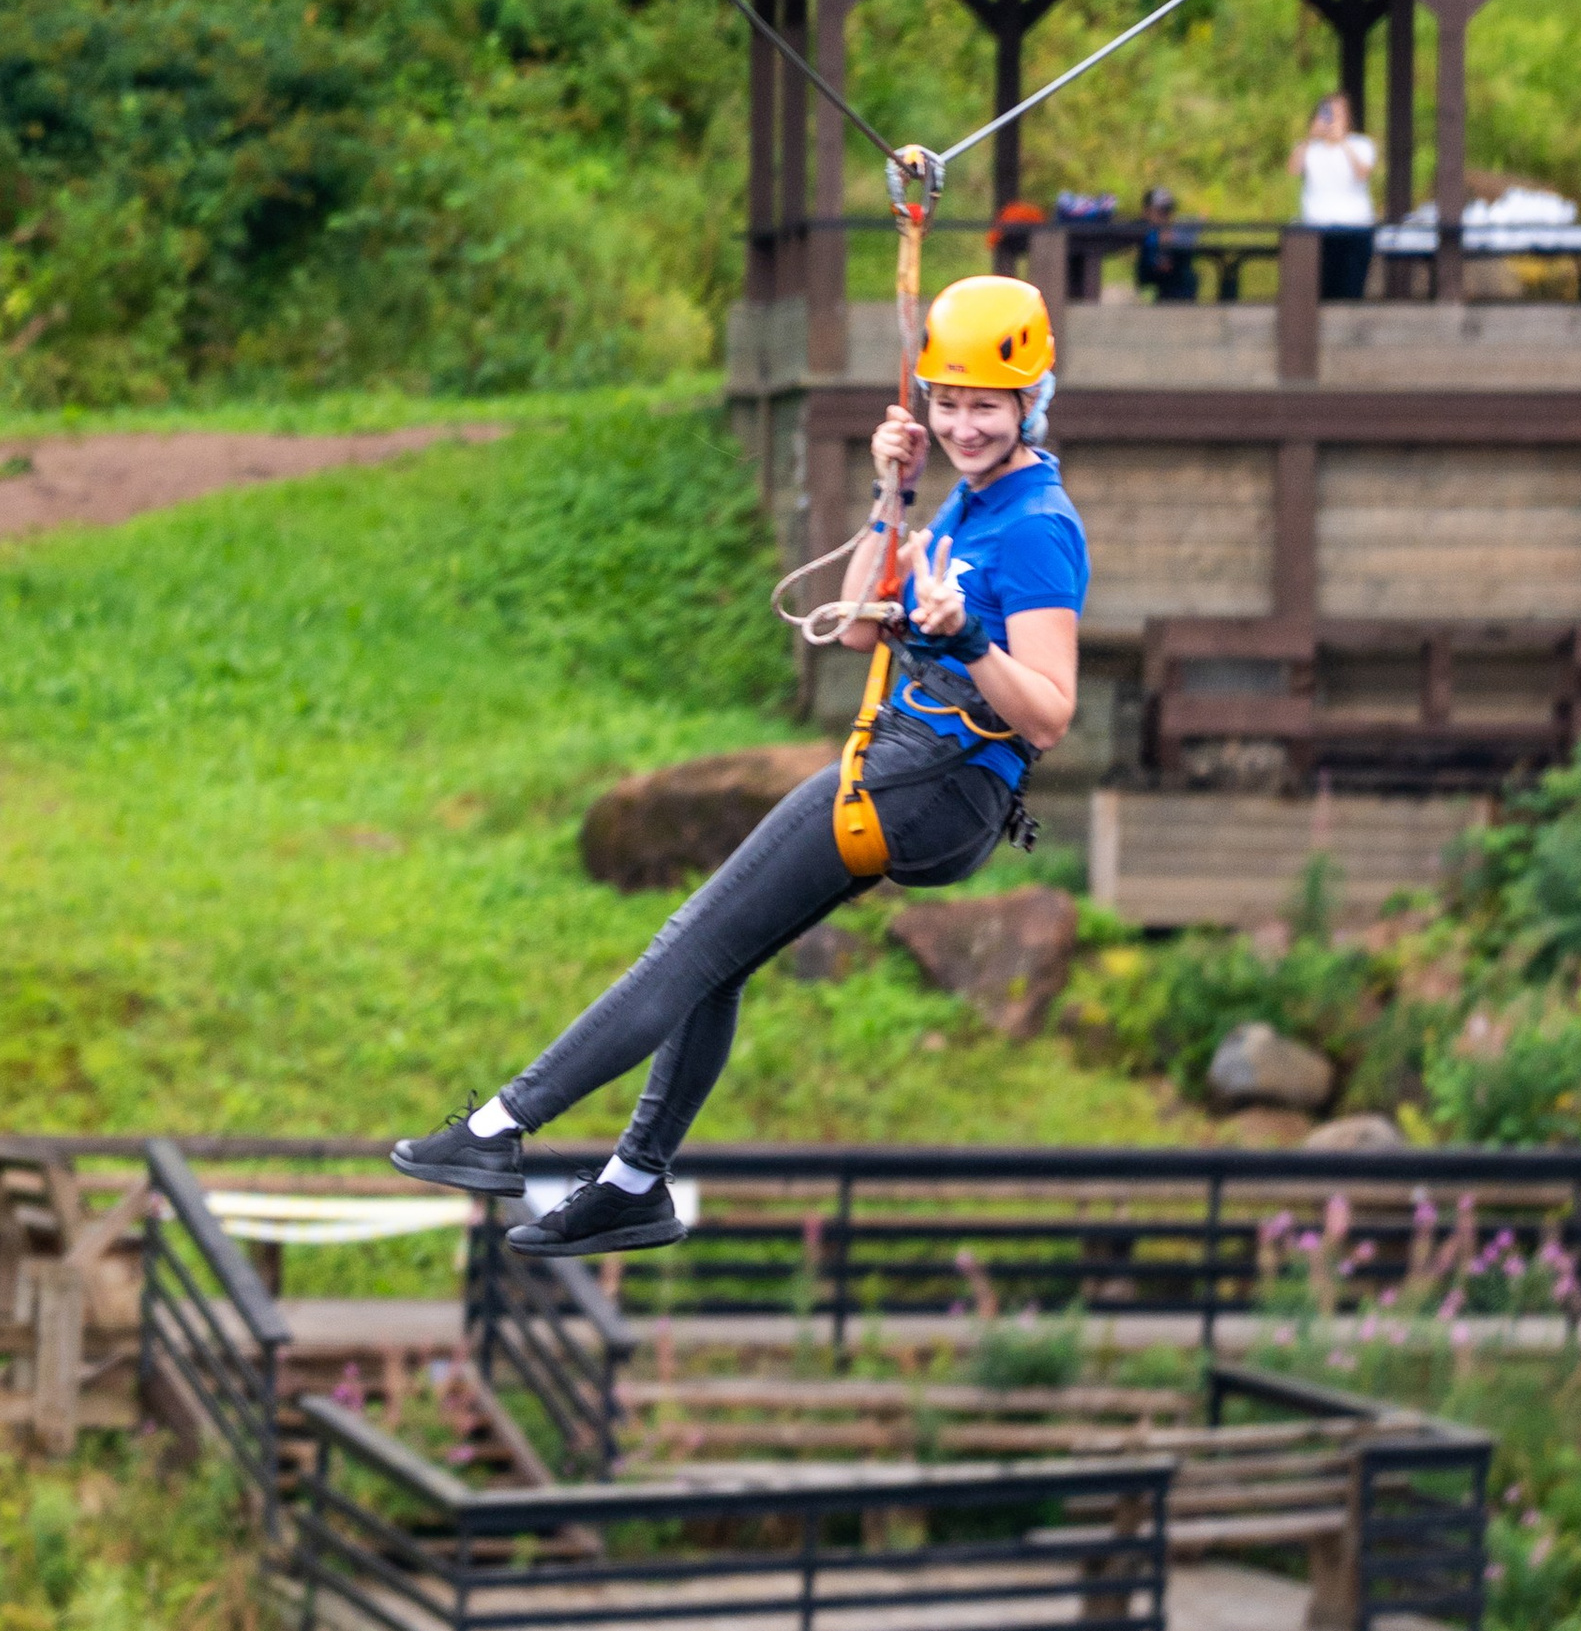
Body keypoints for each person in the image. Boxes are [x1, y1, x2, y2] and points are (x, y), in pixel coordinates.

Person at [388, 276, 1091, 1262]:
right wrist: (890, 497)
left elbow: (1053, 716)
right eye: (949, 402)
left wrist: (971, 638)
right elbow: (851, 628)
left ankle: (500, 1128)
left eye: (986, 406)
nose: (964, 425)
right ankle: (633, 1185)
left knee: (687, 942)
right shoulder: (964, 508)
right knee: (717, 962)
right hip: (908, 774)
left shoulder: (1036, 526)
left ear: (1030, 403)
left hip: (929, 782)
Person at [1292, 92, 1376, 301]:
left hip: (1354, 226)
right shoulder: (1309, 148)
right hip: (1317, 226)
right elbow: (1293, 169)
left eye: (1339, 114)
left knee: (1350, 288)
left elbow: (1362, 173)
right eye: (1329, 113)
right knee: (1320, 289)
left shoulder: (1361, 144)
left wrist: (1343, 143)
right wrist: (1311, 137)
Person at [1134, 184, 1199, 301]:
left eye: (1168, 211)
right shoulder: (1141, 229)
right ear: (1146, 211)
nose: (1166, 215)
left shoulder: (1173, 229)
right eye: (1160, 211)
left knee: (1187, 275)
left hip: (1174, 277)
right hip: (1153, 277)